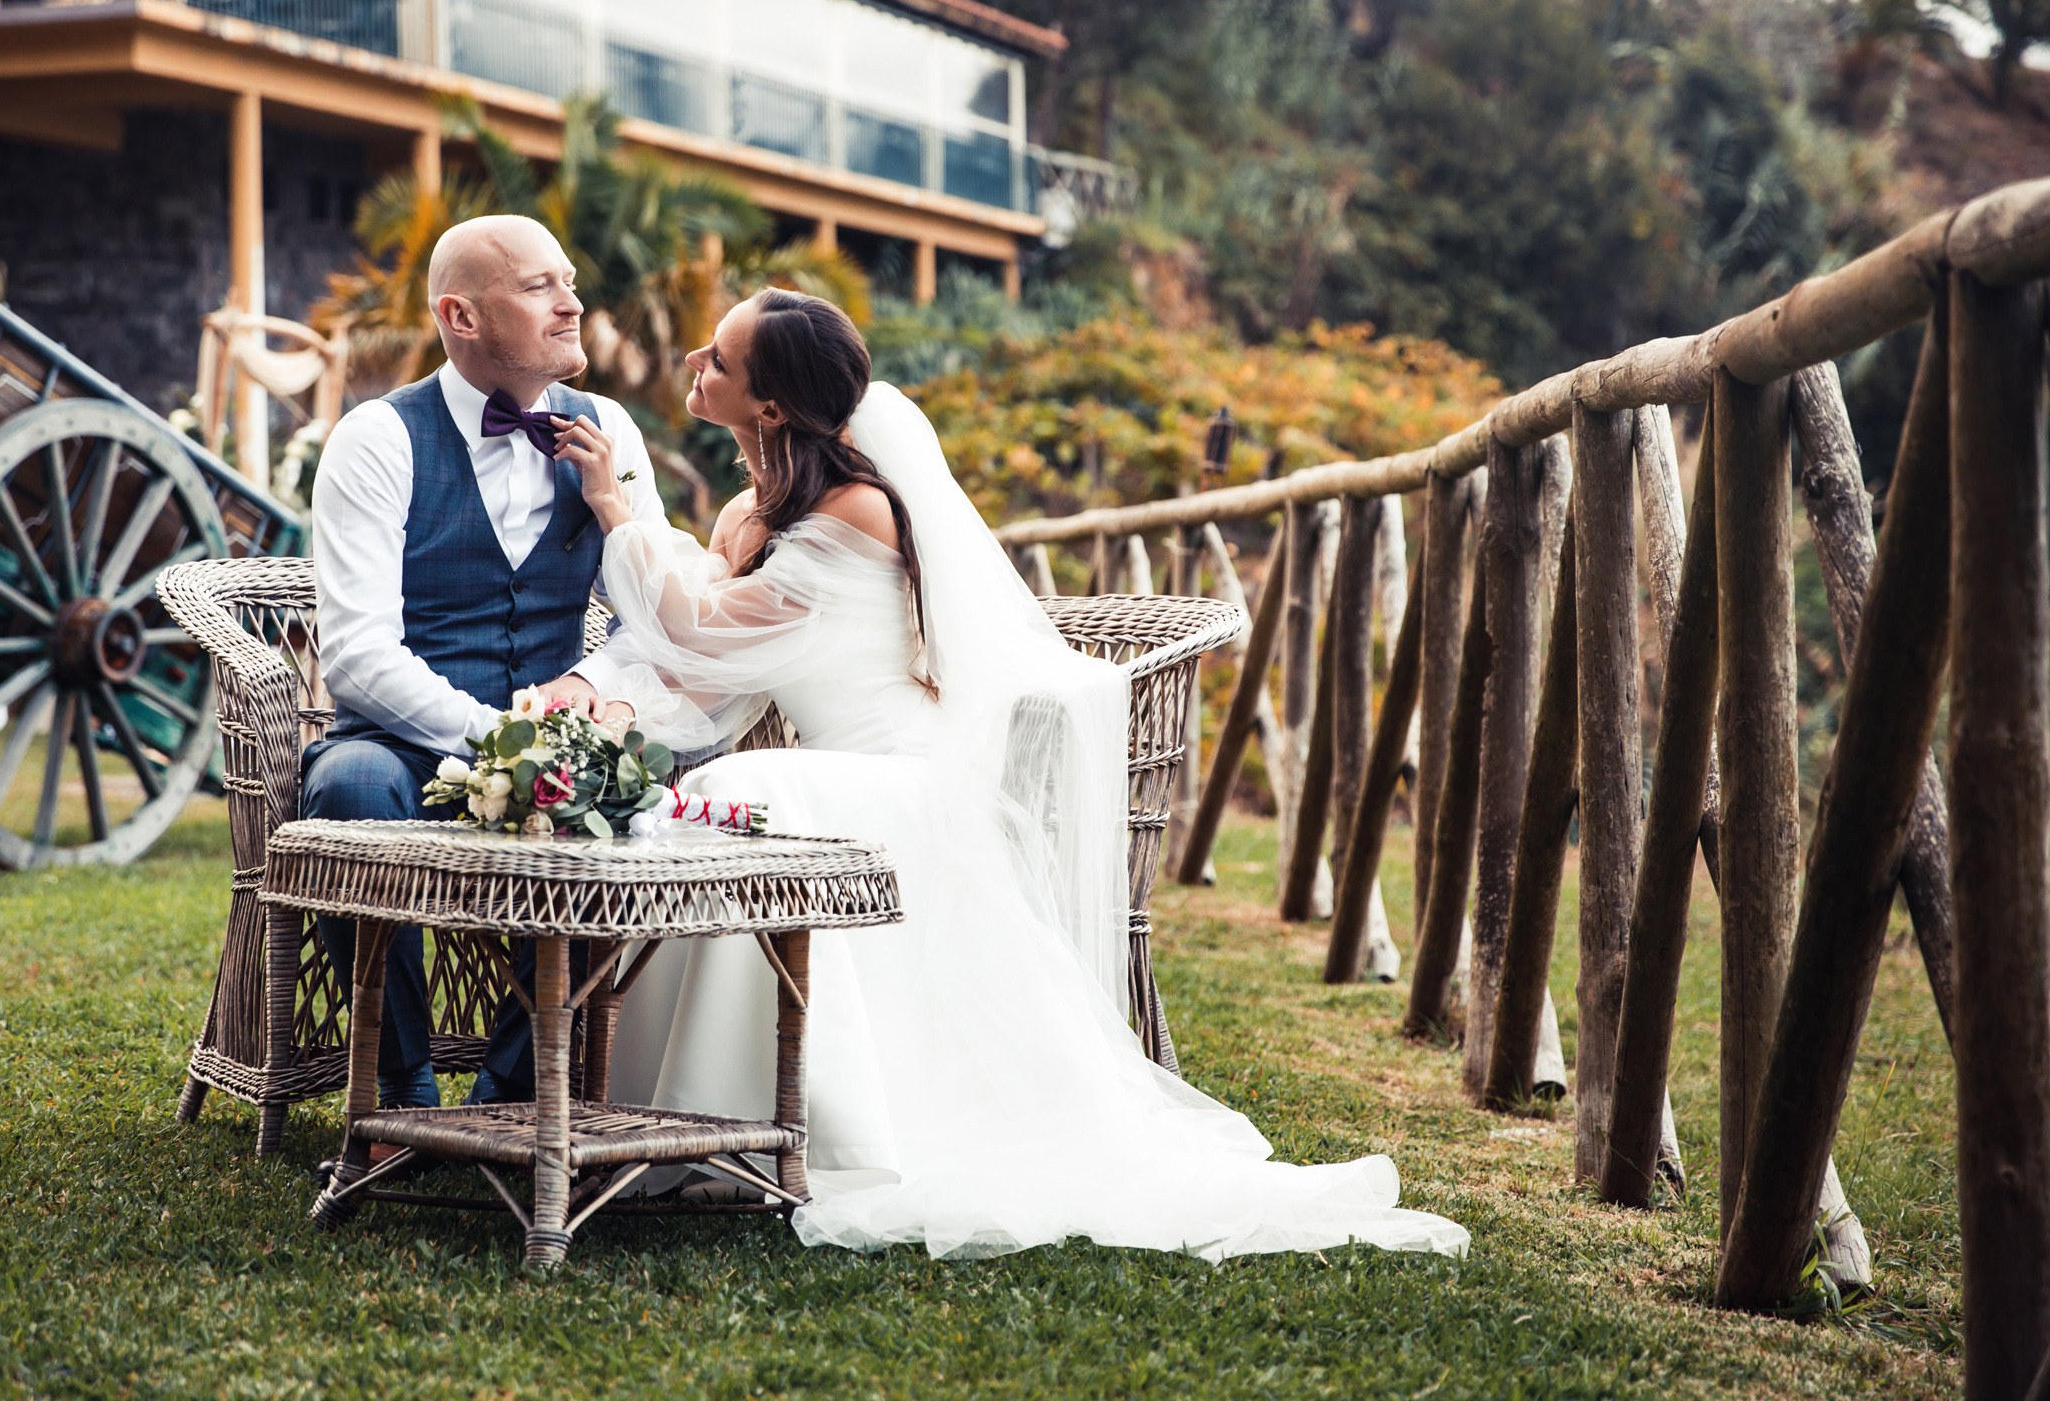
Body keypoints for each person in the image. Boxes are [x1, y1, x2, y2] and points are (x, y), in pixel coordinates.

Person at [561, 288, 1471, 1261]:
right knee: (733, 796)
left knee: (761, 795)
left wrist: (618, 508)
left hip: (903, 774)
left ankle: (775, 1125)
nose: (696, 357)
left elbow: (700, 628)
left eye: (721, 356)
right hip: (846, 767)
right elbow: (715, 660)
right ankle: (676, 1112)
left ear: (772, 406)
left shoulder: (857, 508)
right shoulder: (756, 508)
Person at [304, 214, 660, 1110]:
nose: (573, 304)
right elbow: (355, 656)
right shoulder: (376, 439)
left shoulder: (608, 430)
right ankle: (399, 1089)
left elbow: (651, 618)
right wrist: (496, 738)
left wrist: (589, 686)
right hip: (404, 743)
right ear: (461, 317)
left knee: (641, 800)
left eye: (570, 280)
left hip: (560, 737)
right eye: (540, 286)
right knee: (346, 789)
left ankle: (509, 1091)